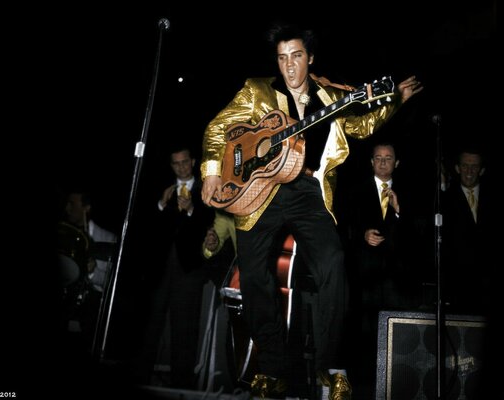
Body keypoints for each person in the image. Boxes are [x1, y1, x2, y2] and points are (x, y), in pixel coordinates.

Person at [200, 22, 422, 399]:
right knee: (254, 277)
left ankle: (329, 366)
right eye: (282, 58)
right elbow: (218, 129)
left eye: (297, 57)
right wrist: (209, 172)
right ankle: (272, 368)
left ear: (311, 58)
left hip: (307, 190)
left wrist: (395, 99)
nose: (289, 66)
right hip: (259, 191)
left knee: (333, 262)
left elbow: (363, 125)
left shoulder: (329, 95)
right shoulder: (257, 90)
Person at [134, 146, 215, 388]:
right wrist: (161, 204)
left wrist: (190, 210)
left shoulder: (205, 189)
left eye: (184, 162)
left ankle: (182, 385)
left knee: (185, 328)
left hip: (188, 270)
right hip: (160, 270)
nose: (181, 167)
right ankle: (139, 379)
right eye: (176, 163)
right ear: (171, 165)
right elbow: (147, 228)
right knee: (150, 326)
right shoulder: (162, 189)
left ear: (192, 161)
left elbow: (210, 224)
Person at [350, 141, 417, 396]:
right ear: (371, 162)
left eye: (388, 158)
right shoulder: (357, 191)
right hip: (365, 281)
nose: (382, 162)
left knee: (394, 342)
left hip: (397, 283)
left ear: (396, 163)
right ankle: (364, 389)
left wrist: (400, 212)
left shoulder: (409, 192)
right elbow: (344, 228)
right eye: (378, 157)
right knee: (365, 340)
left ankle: (393, 388)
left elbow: (418, 237)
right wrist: (362, 235)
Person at [58, 188, 117, 350]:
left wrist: (91, 270)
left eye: (72, 204)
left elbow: (108, 284)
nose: (67, 208)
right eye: (67, 203)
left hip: (89, 312)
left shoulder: (107, 239)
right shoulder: (62, 234)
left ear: (86, 207)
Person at [441, 146, 492, 315]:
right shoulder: (444, 201)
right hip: (457, 288)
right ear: (457, 168)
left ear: (482, 170)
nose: (469, 171)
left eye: (474, 166)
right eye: (465, 166)